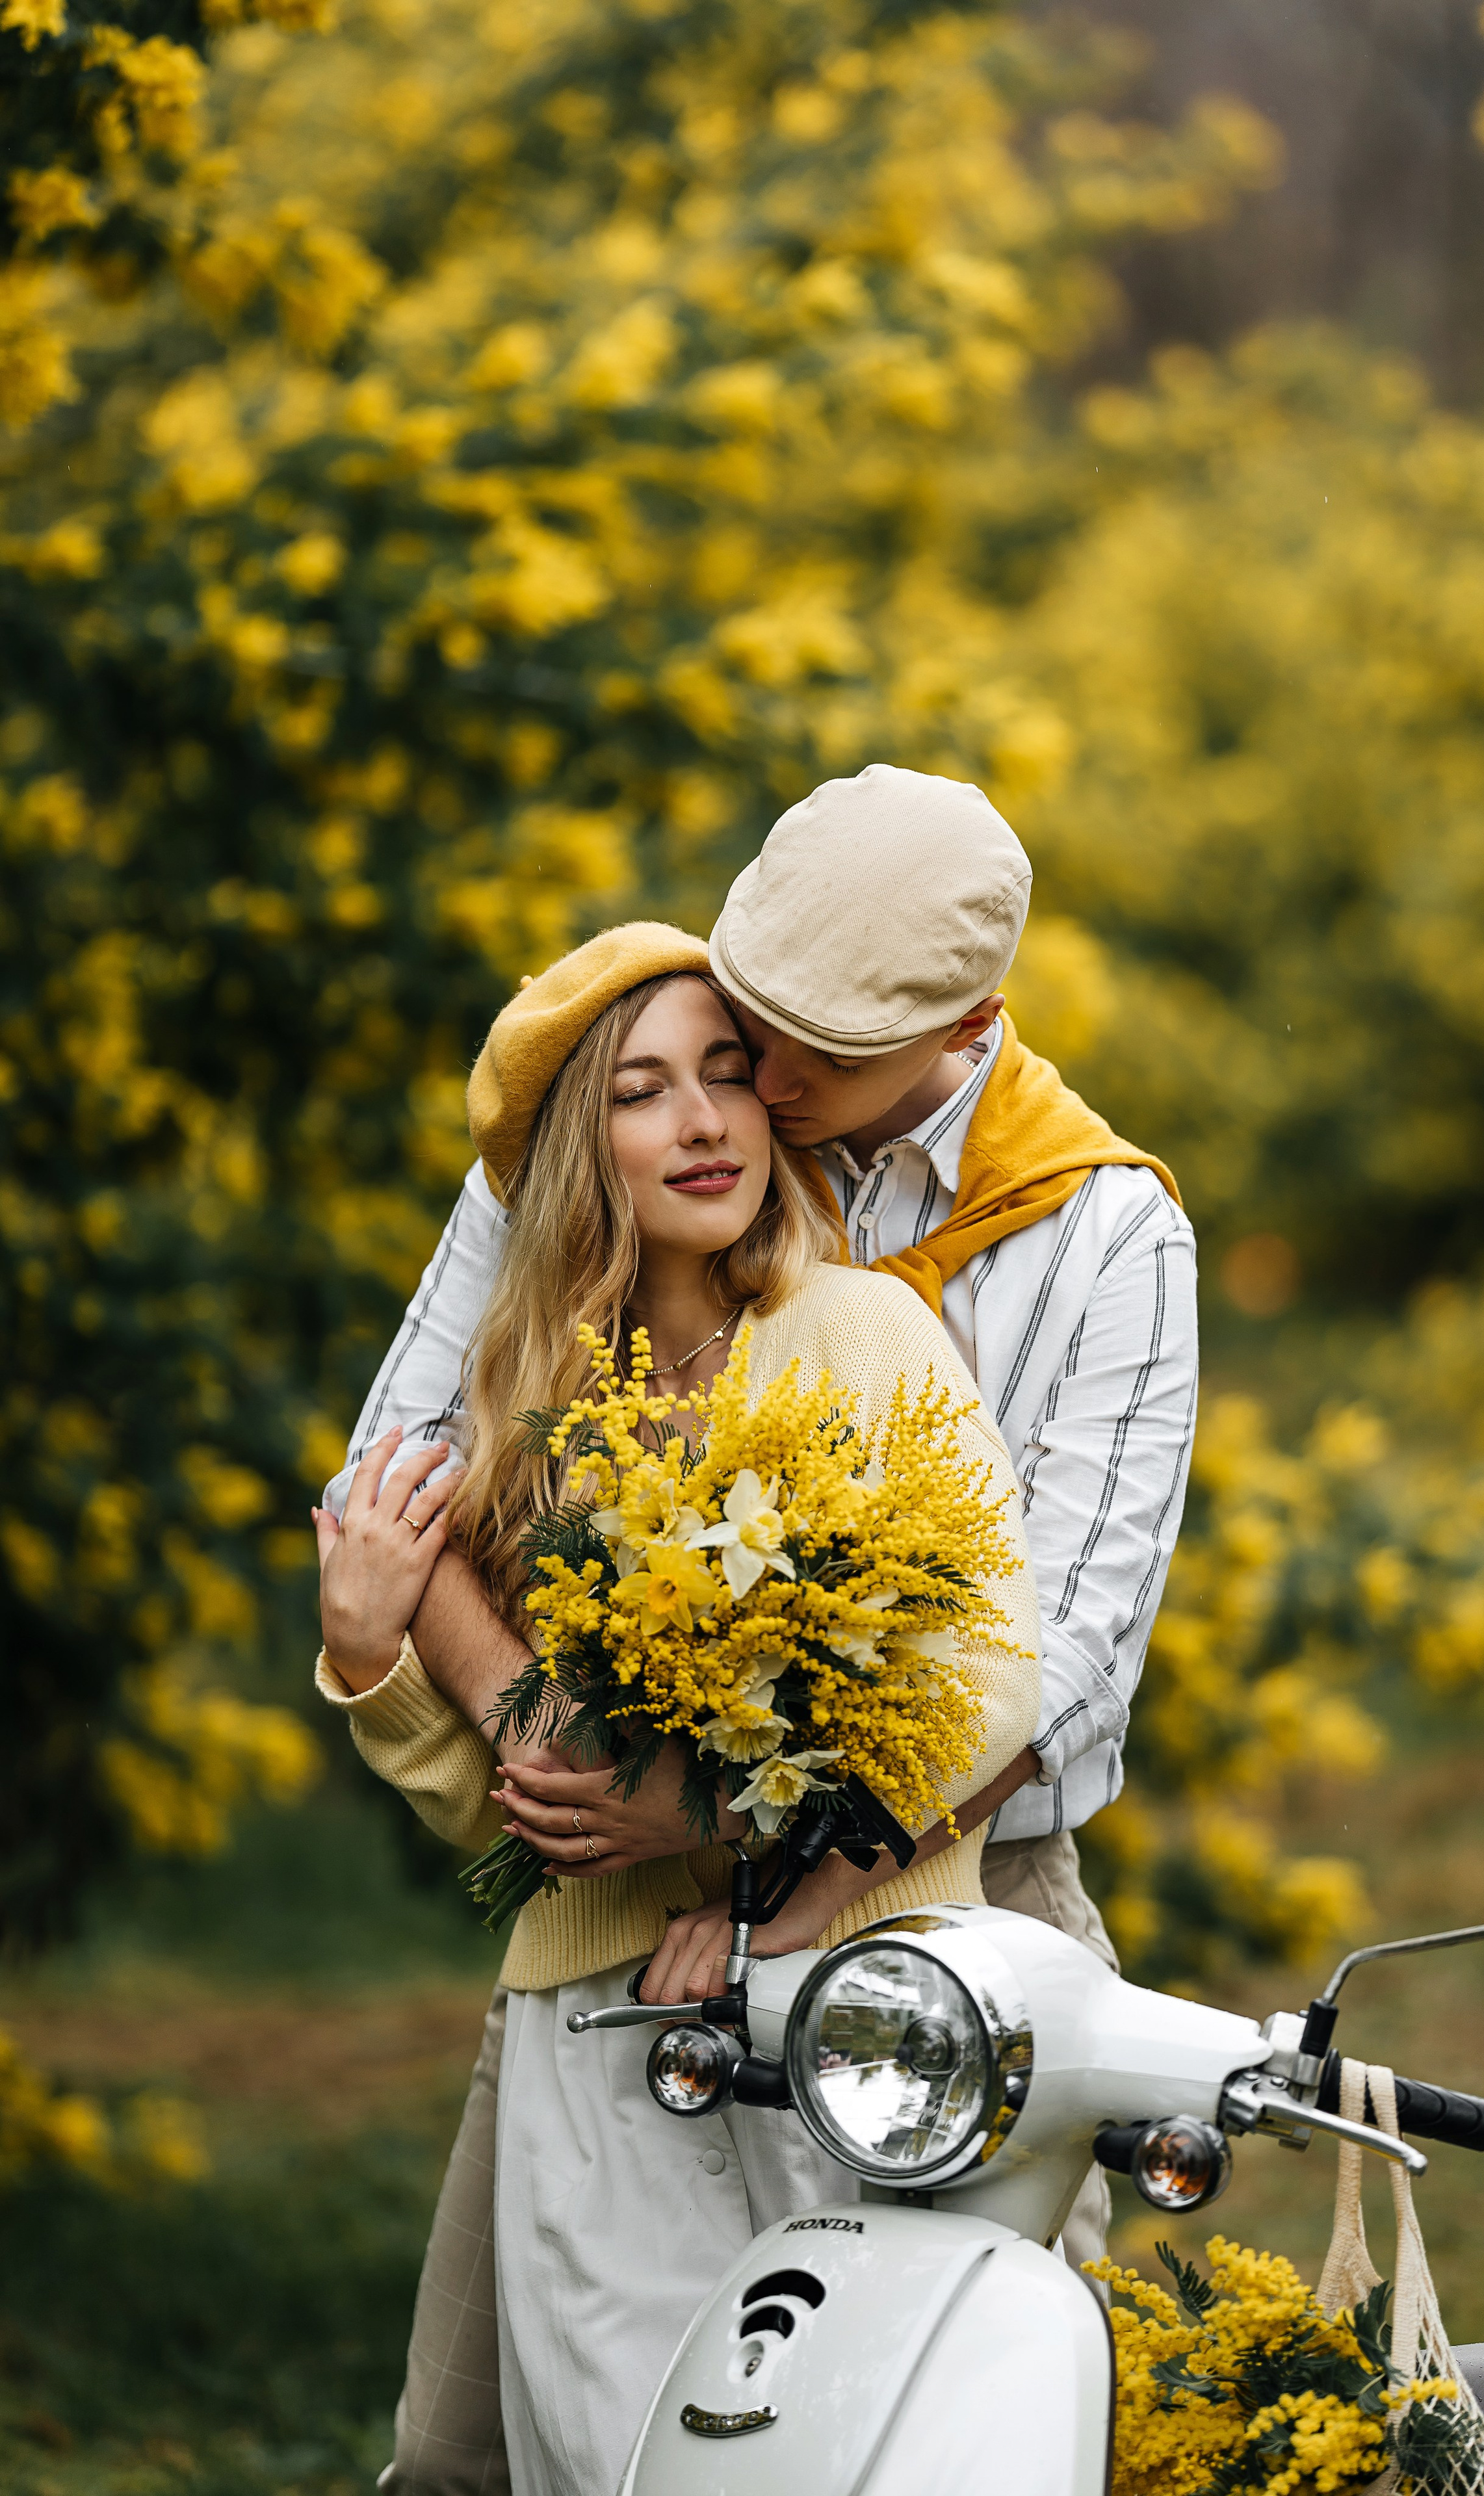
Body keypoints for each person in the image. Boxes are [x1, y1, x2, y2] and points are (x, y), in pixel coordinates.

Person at [319, 764, 1198, 2496]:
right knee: (479, 2453)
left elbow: (1052, 1658)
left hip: (945, 1885)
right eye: (725, 1036)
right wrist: (532, 1738)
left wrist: (756, 1861)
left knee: (1005, 2418)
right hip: (594, 1923)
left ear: (965, 1030)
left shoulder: (1099, 1235)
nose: (752, 1089)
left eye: (787, 1060)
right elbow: (393, 1489)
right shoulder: (611, 1129)